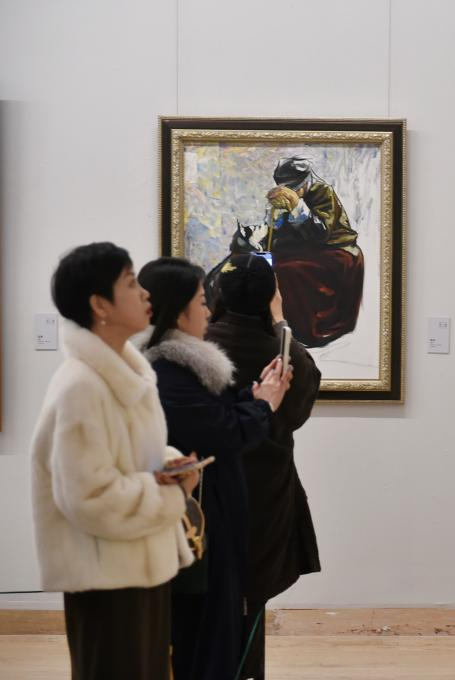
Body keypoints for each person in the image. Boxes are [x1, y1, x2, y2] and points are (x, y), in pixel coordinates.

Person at [31, 242, 199, 680]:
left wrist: (170, 463)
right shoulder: (82, 387)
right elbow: (89, 497)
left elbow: (129, 457)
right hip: (107, 579)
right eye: (130, 283)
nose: (145, 293)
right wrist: (172, 495)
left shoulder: (125, 374)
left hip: (136, 567)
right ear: (100, 305)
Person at [137, 257, 291, 680]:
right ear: (178, 311)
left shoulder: (180, 365)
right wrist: (263, 405)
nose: (208, 310)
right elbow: (222, 432)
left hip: (215, 516)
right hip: (202, 524)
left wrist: (253, 397)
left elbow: (213, 415)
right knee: (205, 637)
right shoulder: (168, 371)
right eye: (201, 302)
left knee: (215, 630)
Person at [205, 253, 323, 679]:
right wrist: (281, 321)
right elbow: (298, 411)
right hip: (267, 493)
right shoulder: (285, 354)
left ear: (218, 293)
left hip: (208, 490)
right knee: (251, 598)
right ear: (272, 296)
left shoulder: (199, 348)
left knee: (207, 599)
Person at [264, 155, 365, 347]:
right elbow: (281, 236)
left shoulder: (323, 192)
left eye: (293, 188)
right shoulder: (286, 197)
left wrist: (297, 208)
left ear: (304, 183)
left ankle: (304, 330)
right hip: (306, 249)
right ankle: (274, 325)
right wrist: (275, 220)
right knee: (267, 264)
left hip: (335, 249)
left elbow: (321, 233)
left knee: (289, 270)